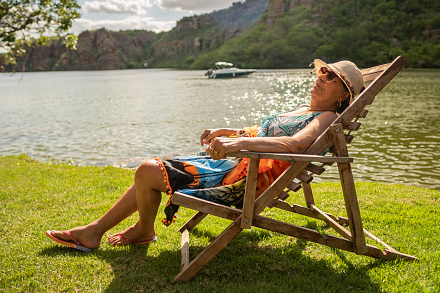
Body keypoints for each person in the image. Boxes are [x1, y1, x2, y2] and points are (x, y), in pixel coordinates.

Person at [46, 59, 364, 252]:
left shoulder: (323, 119)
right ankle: (122, 231)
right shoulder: (305, 109)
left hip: (244, 179)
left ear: (343, 96)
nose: (322, 76)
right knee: (147, 170)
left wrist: (239, 148)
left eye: (331, 77)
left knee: (146, 170)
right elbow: (264, 133)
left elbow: (293, 147)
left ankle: (119, 232)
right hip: (237, 164)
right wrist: (231, 133)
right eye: (323, 71)